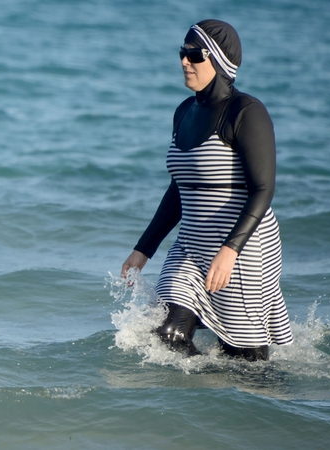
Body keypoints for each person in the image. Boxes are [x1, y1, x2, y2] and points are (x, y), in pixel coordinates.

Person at [121, 20, 293, 361]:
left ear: (218, 60)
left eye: (195, 54)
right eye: (182, 53)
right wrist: (144, 249)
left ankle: (265, 404)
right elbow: (178, 190)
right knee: (166, 333)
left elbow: (263, 189)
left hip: (243, 247)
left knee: (246, 363)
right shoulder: (184, 112)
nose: (185, 61)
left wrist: (230, 250)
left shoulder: (246, 112)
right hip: (191, 244)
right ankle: (196, 400)